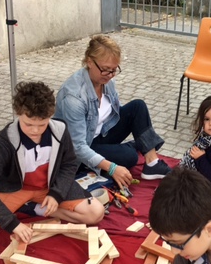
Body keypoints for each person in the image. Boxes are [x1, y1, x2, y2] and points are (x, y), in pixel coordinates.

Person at [0, 81, 104, 243]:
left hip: (48, 187)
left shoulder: (59, 130)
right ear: (18, 113)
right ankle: (14, 206)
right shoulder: (5, 141)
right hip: (15, 189)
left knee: (96, 213)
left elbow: (69, 164)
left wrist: (56, 194)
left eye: (42, 125)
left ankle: (32, 207)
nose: (35, 131)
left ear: (50, 116)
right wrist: (13, 224)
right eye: (28, 124)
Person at [54, 34, 171, 189]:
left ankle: (152, 164)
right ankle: (134, 146)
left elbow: (116, 113)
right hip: (80, 149)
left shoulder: (106, 80)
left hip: (101, 134)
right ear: (89, 61)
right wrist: (112, 168)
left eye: (114, 70)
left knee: (138, 106)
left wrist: (133, 124)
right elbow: (77, 147)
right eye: (105, 70)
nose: (110, 75)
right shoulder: (74, 97)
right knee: (129, 157)